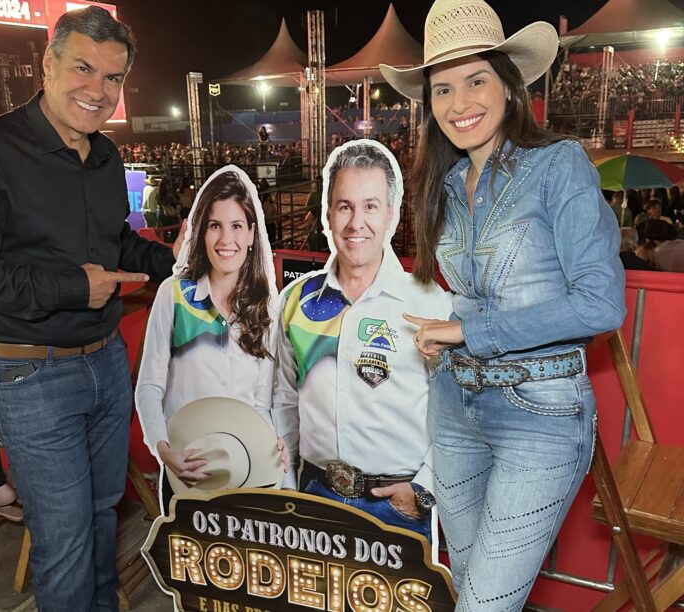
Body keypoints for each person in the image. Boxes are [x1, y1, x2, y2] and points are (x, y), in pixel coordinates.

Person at [0, 7, 180, 611]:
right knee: (64, 538)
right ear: (48, 65)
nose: (98, 90)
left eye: (113, 78)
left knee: (102, 514)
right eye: (83, 69)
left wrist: (182, 259)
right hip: (31, 373)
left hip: (105, 362)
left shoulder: (106, 156)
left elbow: (116, 244)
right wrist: (69, 288)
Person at [380, 0, 626, 608]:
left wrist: (469, 332)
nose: (458, 102)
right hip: (454, 406)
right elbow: (479, 296)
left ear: (510, 86)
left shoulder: (557, 165)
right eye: (442, 89)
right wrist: (446, 333)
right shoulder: (443, 184)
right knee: (468, 587)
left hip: (539, 416)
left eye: (476, 80)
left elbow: (600, 304)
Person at [272, 140, 452, 547]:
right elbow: (283, 398)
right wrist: (286, 483)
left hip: (396, 507)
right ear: (328, 214)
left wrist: (422, 490)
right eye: (344, 206)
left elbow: (456, 412)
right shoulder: (295, 300)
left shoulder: (429, 302)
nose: (356, 223)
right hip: (311, 496)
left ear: (390, 213)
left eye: (370, 206)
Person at [135, 166, 286, 512]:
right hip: (184, 469)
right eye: (215, 226)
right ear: (201, 232)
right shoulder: (174, 295)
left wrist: (275, 442)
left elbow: (262, 401)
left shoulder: (266, 309)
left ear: (252, 234)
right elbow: (149, 386)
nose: (225, 240)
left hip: (246, 470)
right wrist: (162, 448)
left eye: (236, 226)